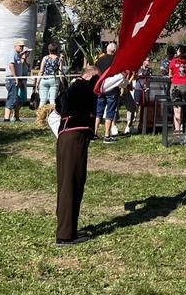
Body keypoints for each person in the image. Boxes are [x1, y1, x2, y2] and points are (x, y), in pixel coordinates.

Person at [55, 65, 130, 246]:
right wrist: (122, 73)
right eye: (96, 77)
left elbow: (55, 112)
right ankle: (65, 235)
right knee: (70, 184)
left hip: (70, 138)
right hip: (73, 138)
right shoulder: (82, 86)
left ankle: (69, 229)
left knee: (73, 183)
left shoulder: (74, 88)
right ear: (89, 76)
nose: (98, 80)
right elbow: (103, 85)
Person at [95, 43, 120, 143]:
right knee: (110, 112)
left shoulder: (99, 60)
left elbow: (96, 72)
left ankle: (94, 133)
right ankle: (107, 135)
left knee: (98, 111)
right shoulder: (116, 61)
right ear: (114, 51)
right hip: (112, 89)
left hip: (101, 88)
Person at [169, 45, 186, 133]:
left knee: (177, 109)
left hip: (175, 86)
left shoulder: (173, 61)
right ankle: (185, 130)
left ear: (180, 52)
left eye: (178, 50)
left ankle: (177, 130)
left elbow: (170, 74)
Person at [128, 57, 151, 134]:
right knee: (135, 105)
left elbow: (150, 79)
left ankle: (141, 123)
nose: (149, 62)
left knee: (144, 106)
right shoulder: (139, 69)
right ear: (143, 61)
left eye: (149, 60)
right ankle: (131, 122)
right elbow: (134, 77)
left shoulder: (149, 70)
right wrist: (139, 75)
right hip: (138, 89)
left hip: (146, 90)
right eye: (147, 60)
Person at [4, 39, 25, 123]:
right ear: (15, 46)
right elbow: (11, 65)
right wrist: (15, 77)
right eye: (20, 46)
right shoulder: (13, 54)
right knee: (12, 98)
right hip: (11, 79)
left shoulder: (18, 55)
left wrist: (19, 79)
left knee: (18, 99)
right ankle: (6, 119)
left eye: (22, 46)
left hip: (16, 79)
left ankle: (16, 117)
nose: (21, 48)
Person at [37, 43, 63, 107]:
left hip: (44, 79)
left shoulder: (45, 58)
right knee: (52, 100)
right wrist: (62, 83)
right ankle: (52, 115)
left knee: (42, 100)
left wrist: (38, 82)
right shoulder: (59, 59)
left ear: (49, 50)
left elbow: (41, 71)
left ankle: (41, 115)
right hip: (54, 79)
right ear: (57, 50)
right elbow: (60, 72)